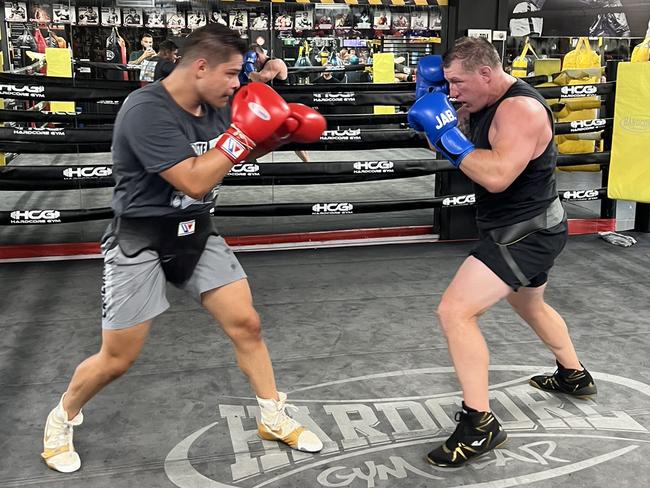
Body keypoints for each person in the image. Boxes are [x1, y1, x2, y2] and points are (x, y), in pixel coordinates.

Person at [40, 23, 327, 474]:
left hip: (196, 231)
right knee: (118, 358)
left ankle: (272, 416)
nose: (238, 84)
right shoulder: (145, 110)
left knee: (247, 324)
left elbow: (222, 159)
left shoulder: (221, 102)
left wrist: (272, 139)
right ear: (199, 67)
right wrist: (245, 136)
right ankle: (62, 418)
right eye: (232, 74)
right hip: (142, 239)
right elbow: (194, 179)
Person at [408, 37, 597, 467]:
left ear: (486, 74)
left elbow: (495, 177)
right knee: (531, 305)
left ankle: (479, 424)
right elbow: (447, 145)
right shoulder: (477, 102)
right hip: (521, 225)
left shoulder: (520, 110)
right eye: (447, 83)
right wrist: (431, 118)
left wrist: (446, 133)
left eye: (457, 83)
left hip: (525, 233)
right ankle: (574, 375)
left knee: (455, 312)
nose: (451, 91)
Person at [239, 45, 310, 163]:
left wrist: (248, 68)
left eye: (250, 58)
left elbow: (261, 79)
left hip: (282, 107)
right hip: (269, 108)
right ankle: (250, 165)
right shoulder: (259, 68)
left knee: (292, 138)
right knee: (253, 135)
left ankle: (308, 164)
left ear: (256, 56)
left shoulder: (274, 63)